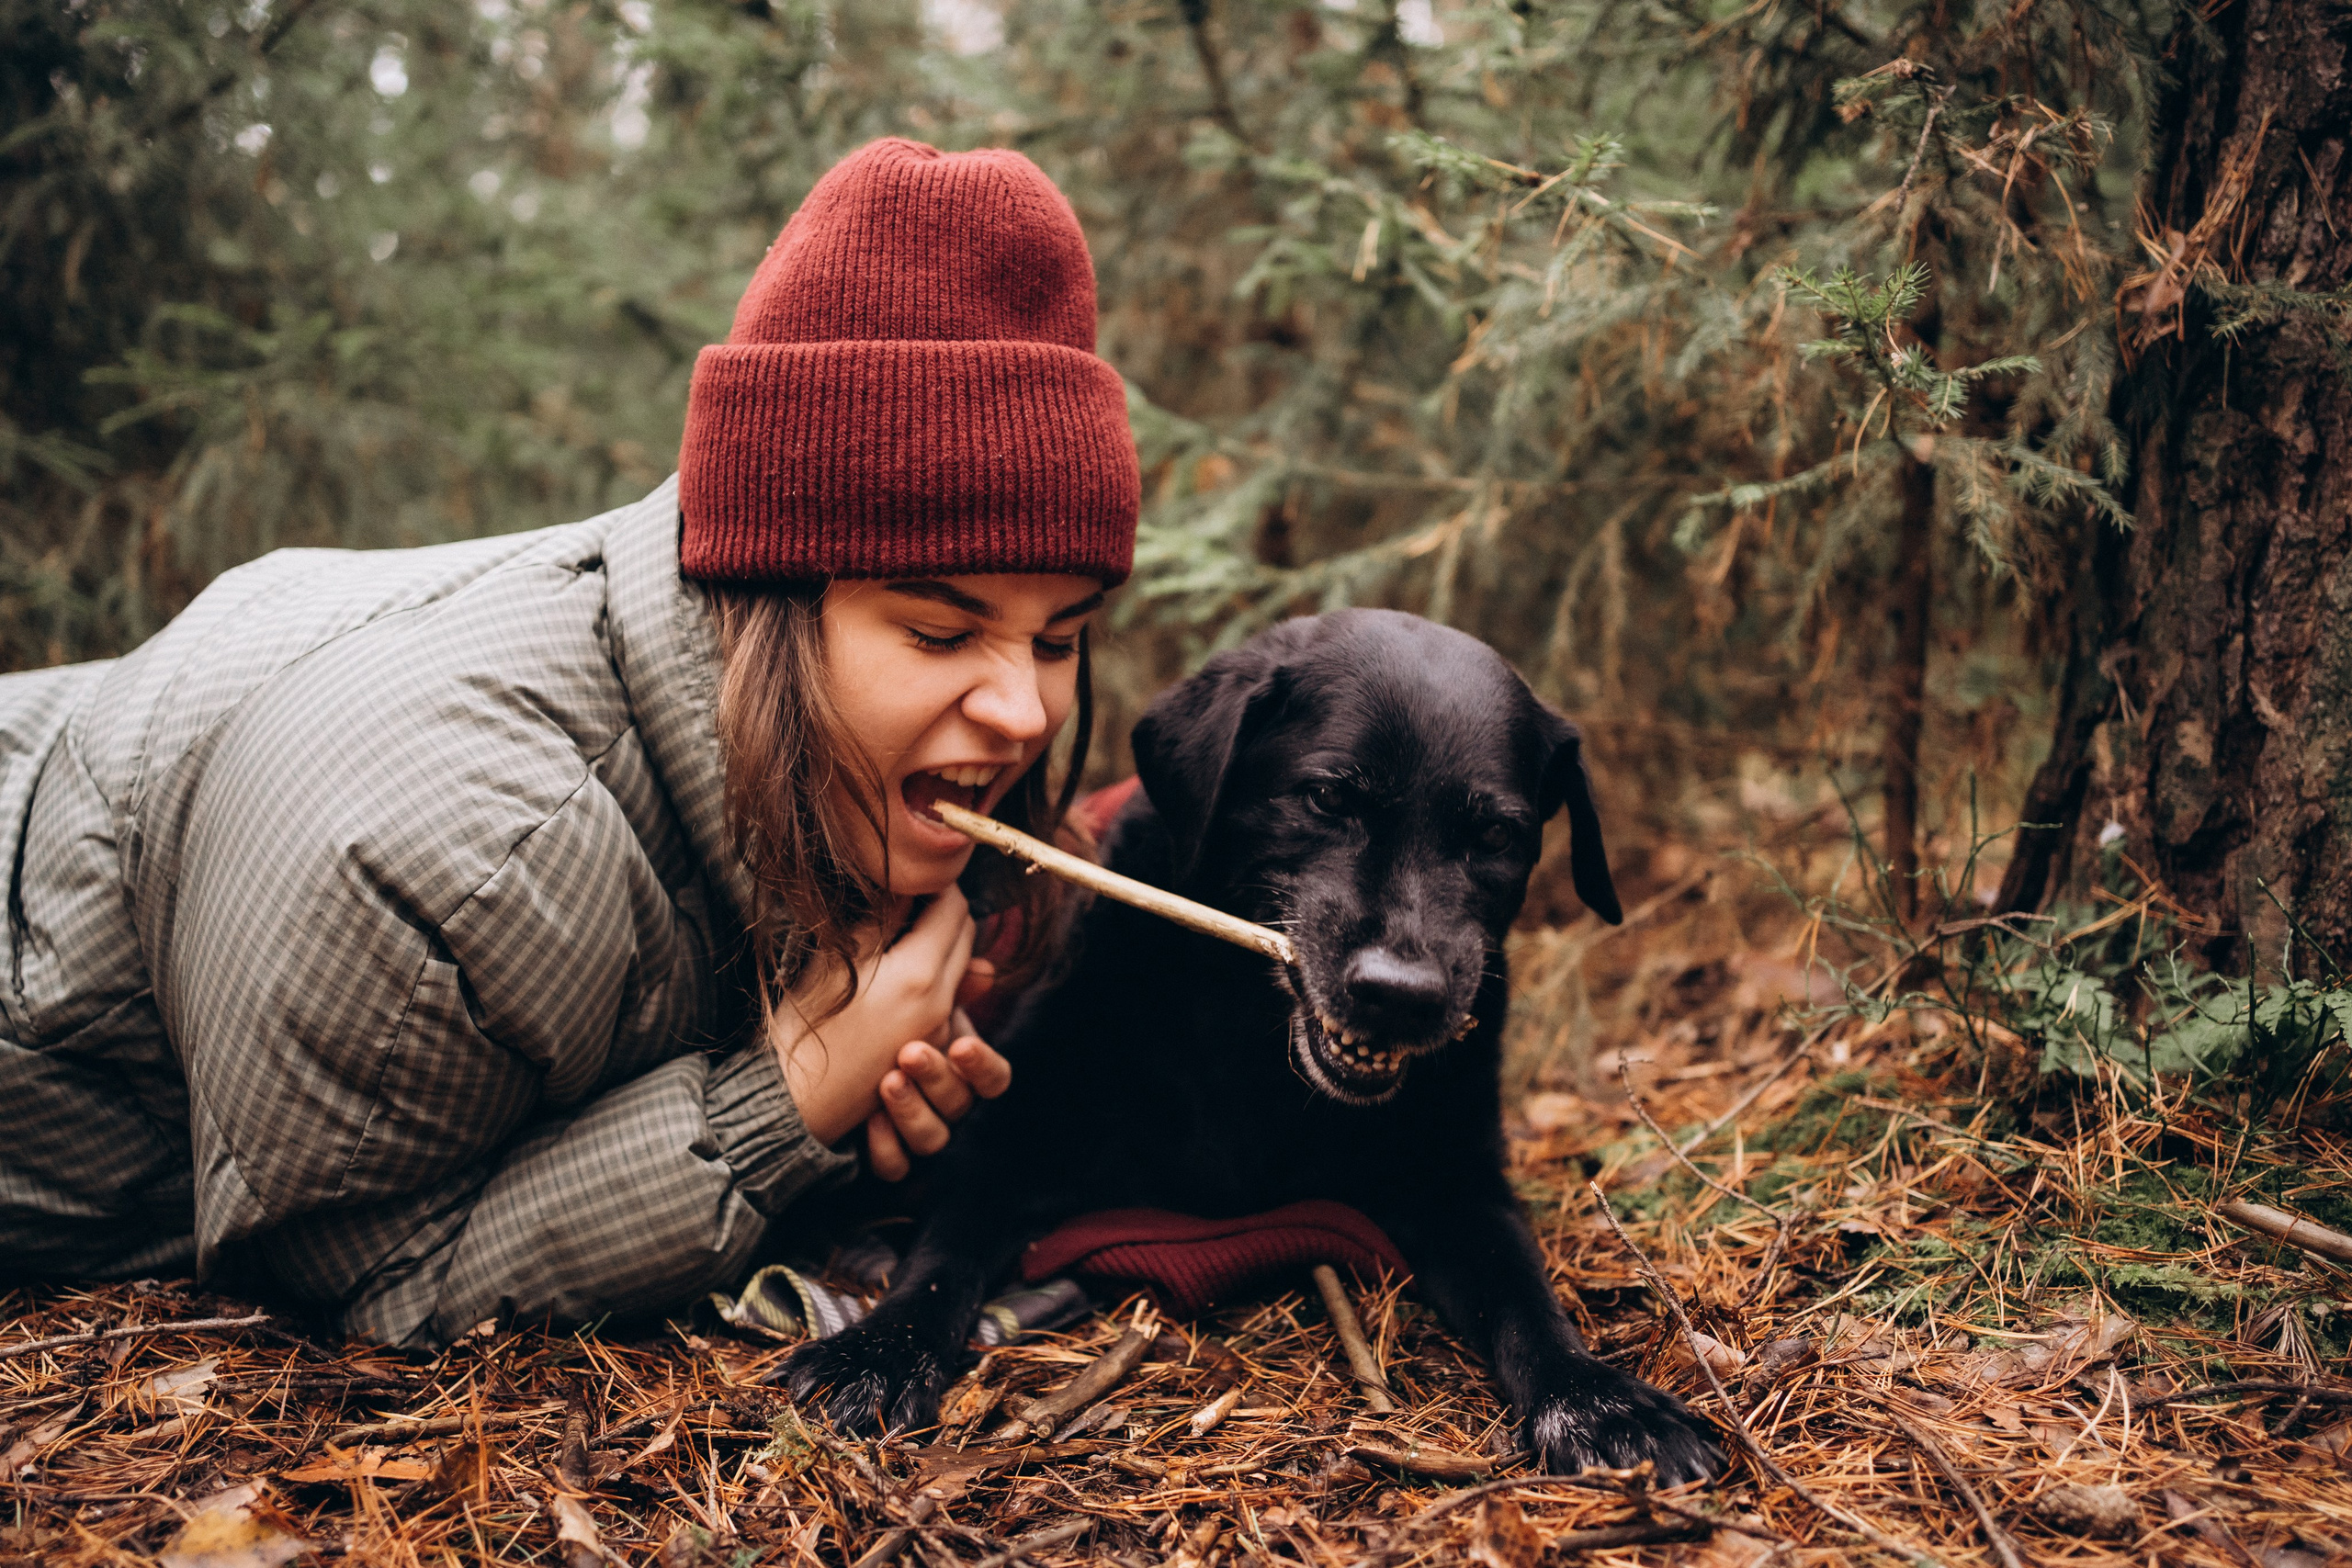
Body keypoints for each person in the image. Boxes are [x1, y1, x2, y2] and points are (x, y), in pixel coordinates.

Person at [0, 138, 1140, 1349]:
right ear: (763, 592)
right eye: (937, 630)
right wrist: (785, 1098)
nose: (1023, 711)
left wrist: (868, 1071)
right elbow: (360, 1289)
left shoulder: (813, 739)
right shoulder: (446, 852)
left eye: (1059, 641)